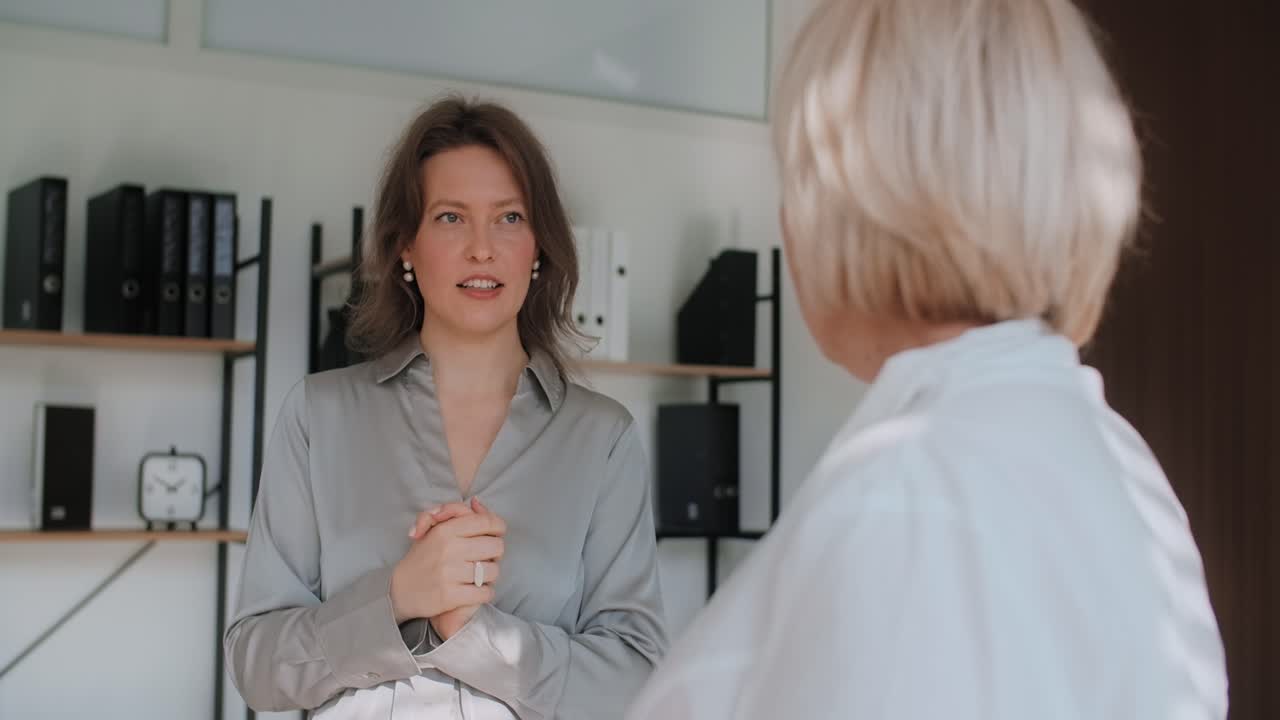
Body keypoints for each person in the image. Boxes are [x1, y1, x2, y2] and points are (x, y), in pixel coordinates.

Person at [626, 0, 1228, 718]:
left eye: (794, 174)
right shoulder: (1117, 466)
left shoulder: (908, 500)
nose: (785, 219)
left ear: (855, 202)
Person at [225, 96, 668, 719]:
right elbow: (257, 666)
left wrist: (476, 634)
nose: (482, 248)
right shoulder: (318, 416)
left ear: (539, 246)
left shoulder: (601, 439)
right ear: (405, 244)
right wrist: (396, 597)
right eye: (451, 218)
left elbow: (637, 679)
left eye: (509, 217)